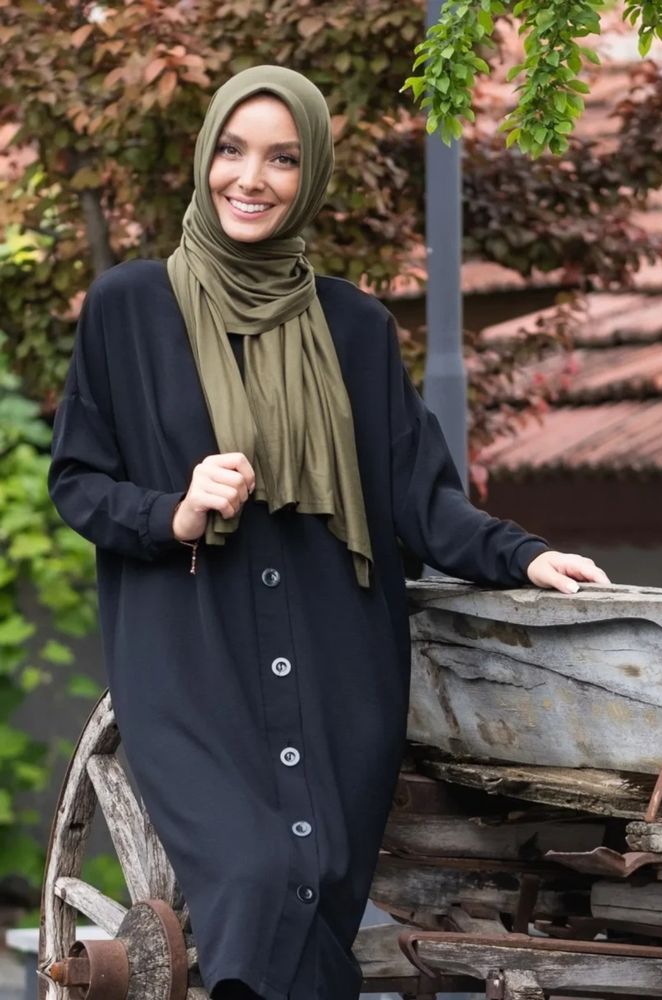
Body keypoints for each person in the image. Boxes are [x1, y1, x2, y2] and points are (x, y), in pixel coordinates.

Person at [48, 65, 610, 1000]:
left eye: (281, 159)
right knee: (257, 870)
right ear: (206, 156)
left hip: (337, 662)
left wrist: (524, 554)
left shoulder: (352, 325)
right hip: (192, 660)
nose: (250, 178)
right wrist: (174, 509)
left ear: (309, 176)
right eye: (233, 151)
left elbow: (420, 500)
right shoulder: (130, 307)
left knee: (318, 889)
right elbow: (77, 484)